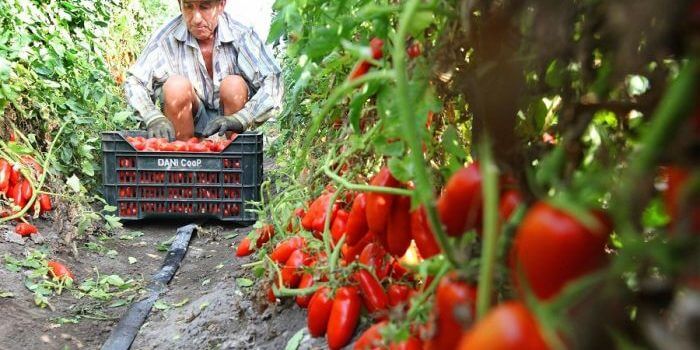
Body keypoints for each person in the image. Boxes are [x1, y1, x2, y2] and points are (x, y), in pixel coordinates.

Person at [124, 0, 283, 141]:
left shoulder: (242, 34)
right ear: (180, 6)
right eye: (188, 7)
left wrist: (242, 118)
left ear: (221, 5)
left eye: (205, 7)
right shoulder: (165, 38)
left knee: (233, 85)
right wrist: (152, 117)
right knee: (175, 87)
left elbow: (273, 80)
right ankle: (184, 162)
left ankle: (232, 162)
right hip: (189, 117)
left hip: (231, 117)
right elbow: (135, 81)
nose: (196, 18)